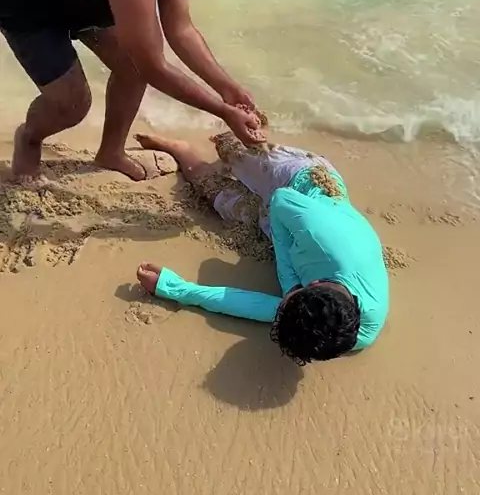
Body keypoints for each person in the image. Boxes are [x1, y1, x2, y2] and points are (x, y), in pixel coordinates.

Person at [0, 0, 263, 182]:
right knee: (72, 103)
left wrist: (227, 88)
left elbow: (182, 31)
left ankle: (111, 152)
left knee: (131, 65)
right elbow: (153, 67)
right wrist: (223, 112)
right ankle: (29, 138)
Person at [134, 130, 389, 363]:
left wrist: (177, 289)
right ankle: (241, 122)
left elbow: (259, 307)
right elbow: (282, 199)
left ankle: (180, 149)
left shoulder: (351, 333)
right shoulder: (318, 233)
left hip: (292, 231)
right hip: (303, 181)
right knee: (230, 148)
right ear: (312, 284)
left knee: (218, 197)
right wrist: (290, 284)